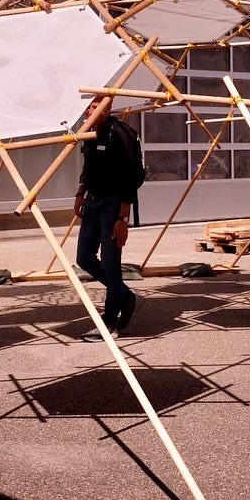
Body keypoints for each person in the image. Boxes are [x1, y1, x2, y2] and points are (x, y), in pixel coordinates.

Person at [74, 97, 145, 341]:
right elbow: (88, 165)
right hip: (93, 202)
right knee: (83, 257)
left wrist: (123, 218)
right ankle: (125, 295)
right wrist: (80, 194)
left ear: (107, 109)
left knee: (110, 263)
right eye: (89, 106)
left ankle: (110, 322)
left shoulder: (120, 133)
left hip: (113, 205)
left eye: (95, 107)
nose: (89, 110)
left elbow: (133, 175)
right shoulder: (91, 133)